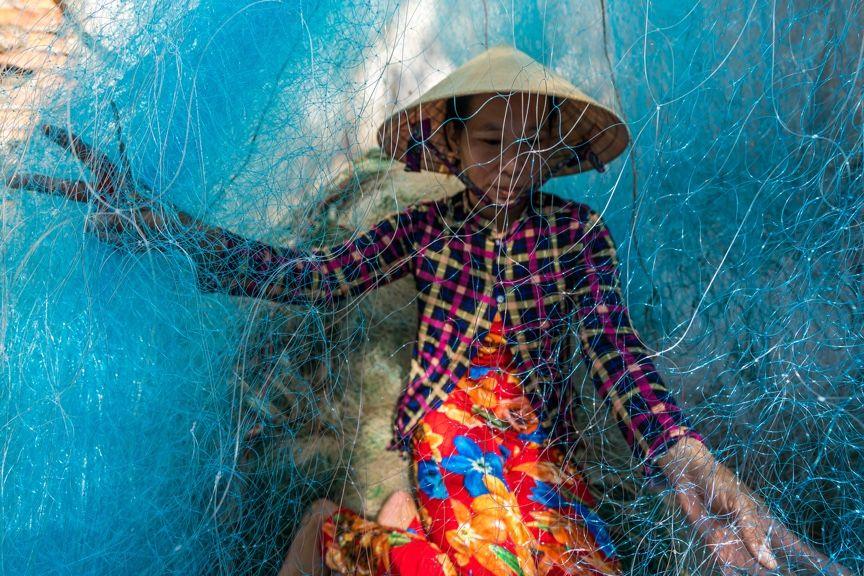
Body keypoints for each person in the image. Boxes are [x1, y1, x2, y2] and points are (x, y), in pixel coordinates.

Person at [14, 46, 850, 576]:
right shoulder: (420, 228)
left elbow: (614, 354)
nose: (513, 163)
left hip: (536, 453)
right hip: (448, 438)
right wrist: (167, 230)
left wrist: (690, 462)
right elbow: (303, 277)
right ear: (450, 147)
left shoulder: (578, 235)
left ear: (557, 152)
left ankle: (339, 536)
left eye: (532, 144)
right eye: (490, 141)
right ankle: (331, 534)